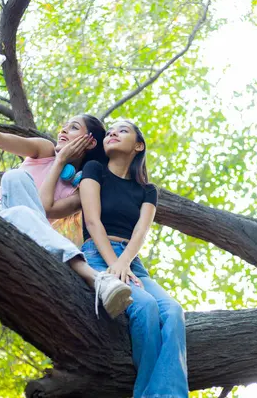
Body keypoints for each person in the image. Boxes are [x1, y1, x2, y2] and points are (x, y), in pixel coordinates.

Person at [0, 62, 132, 318]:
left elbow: (42, 209)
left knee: (23, 210)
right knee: (16, 178)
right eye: (64, 126)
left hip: (29, 241)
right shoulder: (44, 149)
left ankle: (100, 283)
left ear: (90, 141)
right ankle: (96, 280)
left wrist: (62, 163)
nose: (63, 130)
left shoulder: (80, 191)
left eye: (73, 128)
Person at [80, 120, 188, 397]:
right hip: (97, 255)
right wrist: (114, 264)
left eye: (123, 130)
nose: (113, 132)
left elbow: (141, 231)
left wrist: (124, 262)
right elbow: (92, 221)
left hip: (132, 261)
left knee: (174, 311)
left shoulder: (147, 190)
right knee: (145, 307)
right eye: (111, 130)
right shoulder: (94, 171)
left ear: (138, 146)